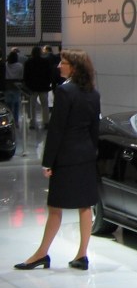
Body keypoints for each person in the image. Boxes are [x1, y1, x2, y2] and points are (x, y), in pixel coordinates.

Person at [15, 49, 101, 271]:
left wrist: (48, 162)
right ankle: (82, 255)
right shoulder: (93, 93)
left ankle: (41, 254)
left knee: (55, 207)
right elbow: (95, 129)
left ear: (74, 67)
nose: (58, 66)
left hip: (66, 157)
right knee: (85, 206)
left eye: (63, 63)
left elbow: (57, 130)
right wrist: (92, 153)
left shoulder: (65, 91)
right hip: (85, 156)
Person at [23, 45, 55, 130]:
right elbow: (49, 74)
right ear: (40, 53)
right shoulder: (45, 62)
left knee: (32, 106)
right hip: (43, 87)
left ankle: (33, 123)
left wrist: (28, 86)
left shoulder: (28, 62)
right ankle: (46, 122)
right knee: (45, 105)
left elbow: (26, 76)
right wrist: (48, 84)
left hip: (32, 88)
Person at [4, 49, 25, 127]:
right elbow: (22, 76)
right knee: (16, 106)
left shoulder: (6, 65)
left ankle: (9, 121)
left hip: (7, 86)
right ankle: (16, 122)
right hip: (16, 87)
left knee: (8, 106)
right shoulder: (20, 66)